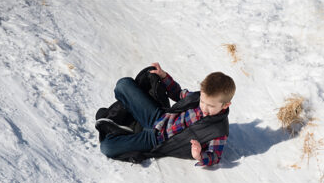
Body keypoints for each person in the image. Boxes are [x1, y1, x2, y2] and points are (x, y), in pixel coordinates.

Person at [97, 62, 234, 168]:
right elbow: (178, 94)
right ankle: (128, 118)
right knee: (123, 84)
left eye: (210, 106)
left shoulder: (218, 131)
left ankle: (127, 128)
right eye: (203, 102)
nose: (204, 107)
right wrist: (164, 76)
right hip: (158, 117)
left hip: (156, 140)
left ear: (225, 105)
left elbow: (215, 156)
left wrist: (200, 156)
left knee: (107, 147)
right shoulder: (197, 98)